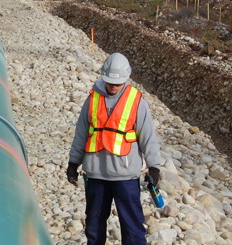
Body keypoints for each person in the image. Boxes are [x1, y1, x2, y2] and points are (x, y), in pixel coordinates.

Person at [66, 53, 162, 245]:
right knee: (94, 227)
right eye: (110, 83)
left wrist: (154, 167)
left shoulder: (136, 101)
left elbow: (148, 137)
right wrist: (73, 162)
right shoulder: (92, 99)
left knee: (133, 229)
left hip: (125, 176)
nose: (113, 87)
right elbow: (82, 134)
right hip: (96, 175)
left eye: (117, 84)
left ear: (126, 79)